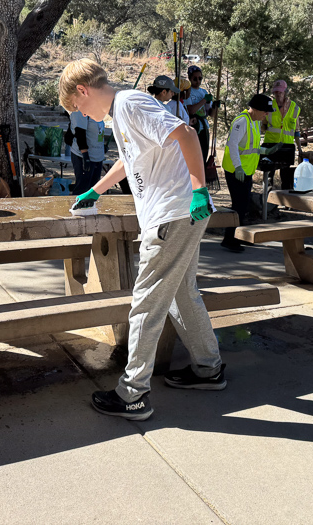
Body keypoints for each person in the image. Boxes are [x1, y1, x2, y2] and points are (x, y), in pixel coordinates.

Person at [59, 58, 223, 421]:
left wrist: (198, 189)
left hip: (174, 214)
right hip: (180, 214)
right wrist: (95, 190)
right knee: (182, 294)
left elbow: (187, 134)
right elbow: (131, 159)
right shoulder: (122, 113)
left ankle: (133, 393)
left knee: (146, 303)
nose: (81, 113)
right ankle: (208, 369)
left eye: (77, 106)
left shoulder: (130, 103)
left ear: (82, 90)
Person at [221, 94, 281, 253]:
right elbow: (232, 145)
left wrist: (264, 150)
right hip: (236, 171)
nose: (266, 114)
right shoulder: (242, 121)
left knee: (243, 205)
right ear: (256, 109)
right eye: (265, 111)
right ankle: (229, 239)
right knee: (238, 206)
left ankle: (237, 236)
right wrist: (238, 167)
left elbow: (250, 146)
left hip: (245, 170)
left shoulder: (253, 122)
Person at [261, 79, 302, 190]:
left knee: (286, 176)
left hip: (286, 146)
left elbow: (296, 130)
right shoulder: (268, 106)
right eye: (276, 92)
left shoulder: (294, 107)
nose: (278, 94)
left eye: (280, 92)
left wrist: (300, 150)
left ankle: (286, 201)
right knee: (268, 175)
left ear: (285, 92)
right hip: (270, 145)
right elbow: (263, 125)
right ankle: (267, 200)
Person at [182, 65, 215, 162]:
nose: (198, 81)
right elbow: (191, 110)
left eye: (200, 78)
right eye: (195, 79)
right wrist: (204, 100)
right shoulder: (188, 92)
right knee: (193, 157)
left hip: (204, 128)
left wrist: (215, 106)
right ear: (190, 78)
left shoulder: (203, 92)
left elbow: (211, 114)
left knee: (203, 156)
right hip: (194, 127)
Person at [69, 108, 105, 195]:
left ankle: (91, 208)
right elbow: (79, 133)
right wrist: (85, 155)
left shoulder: (96, 110)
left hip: (97, 156)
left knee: (94, 190)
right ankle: (77, 207)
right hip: (83, 156)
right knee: (82, 189)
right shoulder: (80, 111)